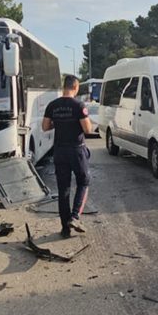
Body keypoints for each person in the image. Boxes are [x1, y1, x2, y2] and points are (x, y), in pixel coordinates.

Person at [42, 75, 95, 238]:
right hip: (76, 150)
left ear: (64, 86)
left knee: (63, 189)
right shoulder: (79, 105)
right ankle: (75, 216)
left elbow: (45, 127)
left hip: (59, 151)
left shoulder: (52, 105)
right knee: (83, 181)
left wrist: (58, 123)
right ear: (76, 87)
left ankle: (65, 228)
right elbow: (87, 129)